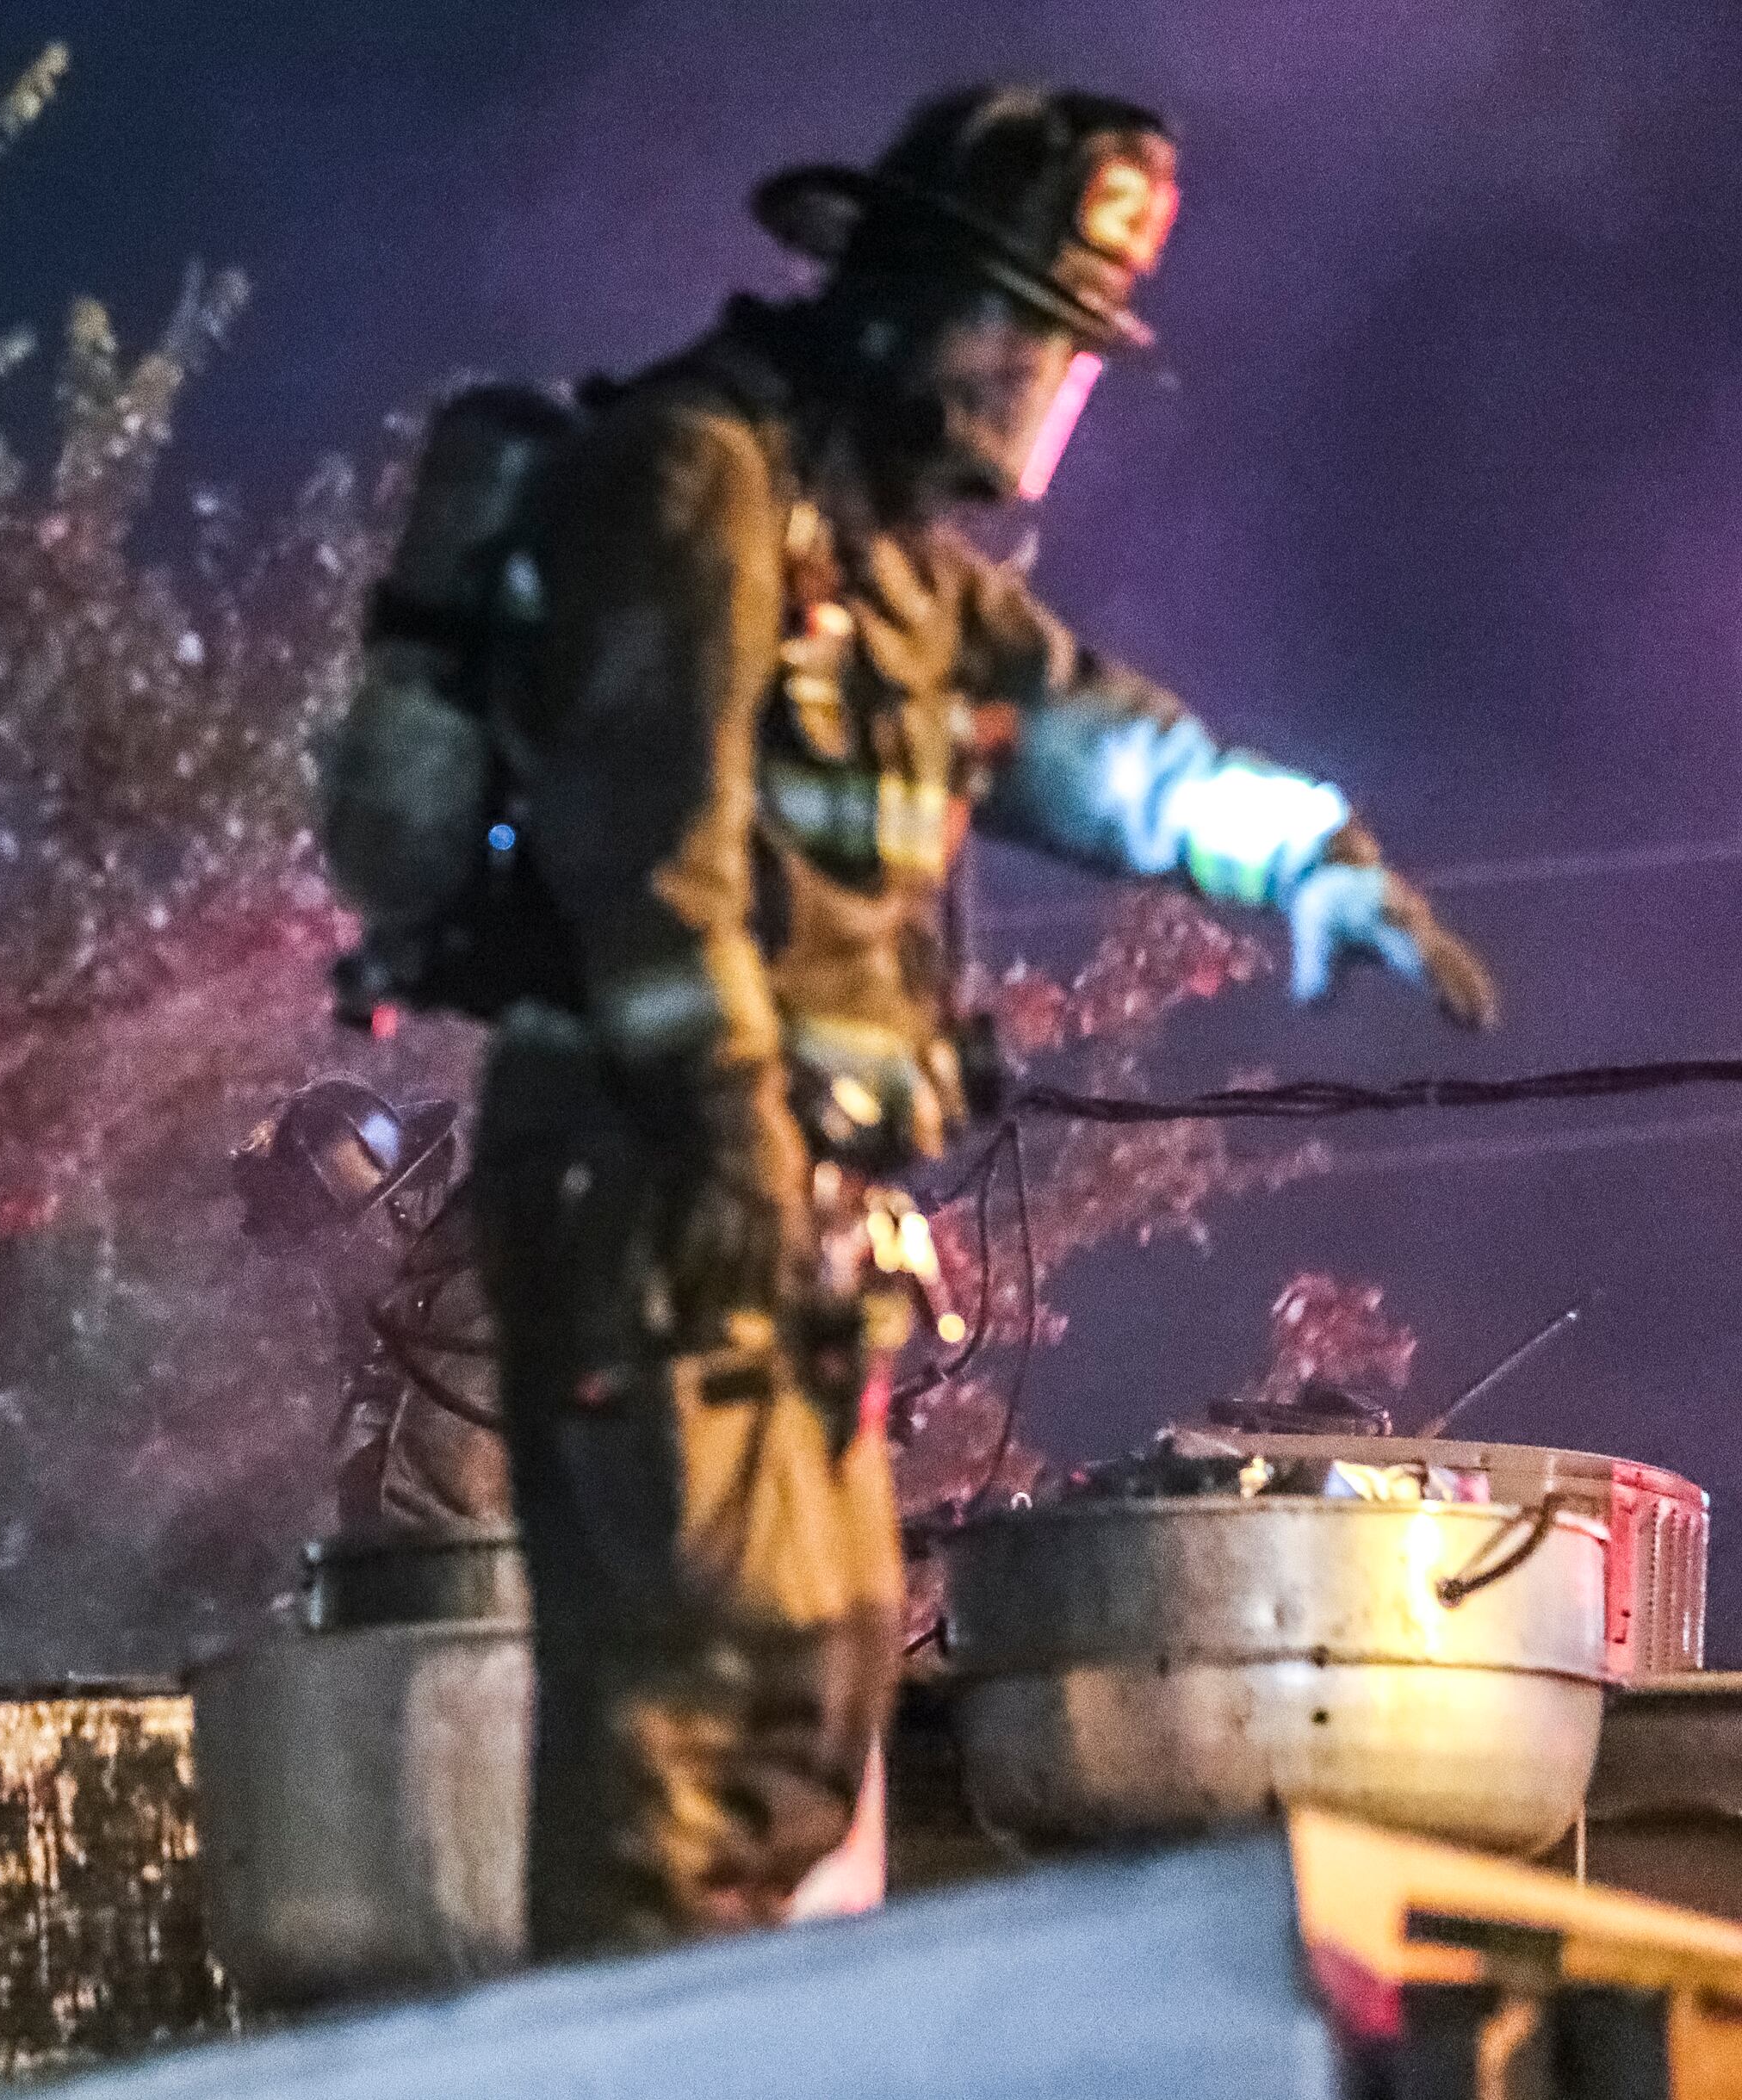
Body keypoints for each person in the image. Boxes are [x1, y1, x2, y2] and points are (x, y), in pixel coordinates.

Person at [456, 87, 1499, 1955]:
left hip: (783, 1230)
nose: (1039, 386)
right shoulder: (691, 487)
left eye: (1068, 349)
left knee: (806, 1697)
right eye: (1019, 329)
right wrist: (743, 1146)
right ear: (900, 295)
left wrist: (1305, 853)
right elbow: (650, 866)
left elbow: (1108, 748)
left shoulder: (908, 590)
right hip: (654, 1201)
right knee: (686, 1724)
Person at [232, 1079, 505, 1540]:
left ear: (395, 1211)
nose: (321, 1273)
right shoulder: (405, 1325)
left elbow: (432, 1513)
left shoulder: (483, 1304)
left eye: (324, 1246)